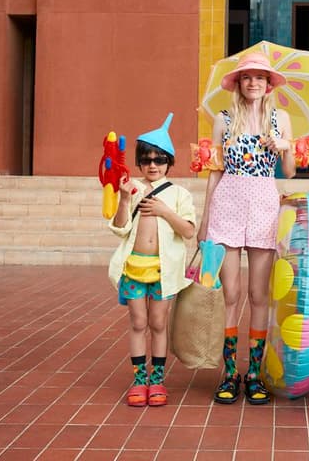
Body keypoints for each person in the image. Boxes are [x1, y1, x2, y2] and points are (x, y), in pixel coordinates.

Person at [197, 52, 296, 405]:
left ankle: (254, 373)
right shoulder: (223, 120)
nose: (253, 82)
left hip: (264, 208)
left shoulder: (280, 119)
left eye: (259, 77)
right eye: (246, 77)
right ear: (238, 83)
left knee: (258, 294)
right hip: (227, 205)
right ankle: (229, 373)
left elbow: (290, 172)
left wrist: (285, 146)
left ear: (269, 84)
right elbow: (215, 172)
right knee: (231, 293)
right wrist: (206, 219)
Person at [108, 113, 197, 407]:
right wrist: (124, 199)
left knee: (158, 323)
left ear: (169, 162)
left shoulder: (179, 194)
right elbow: (120, 228)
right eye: (146, 160)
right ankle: (139, 380)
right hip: (134, 268)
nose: (152, 165)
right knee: (138, 322)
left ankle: (157, 379)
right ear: (138, 162)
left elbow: (188, 231)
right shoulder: (131, 188)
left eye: (159, 159)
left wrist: (164, 211)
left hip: (163, 271)